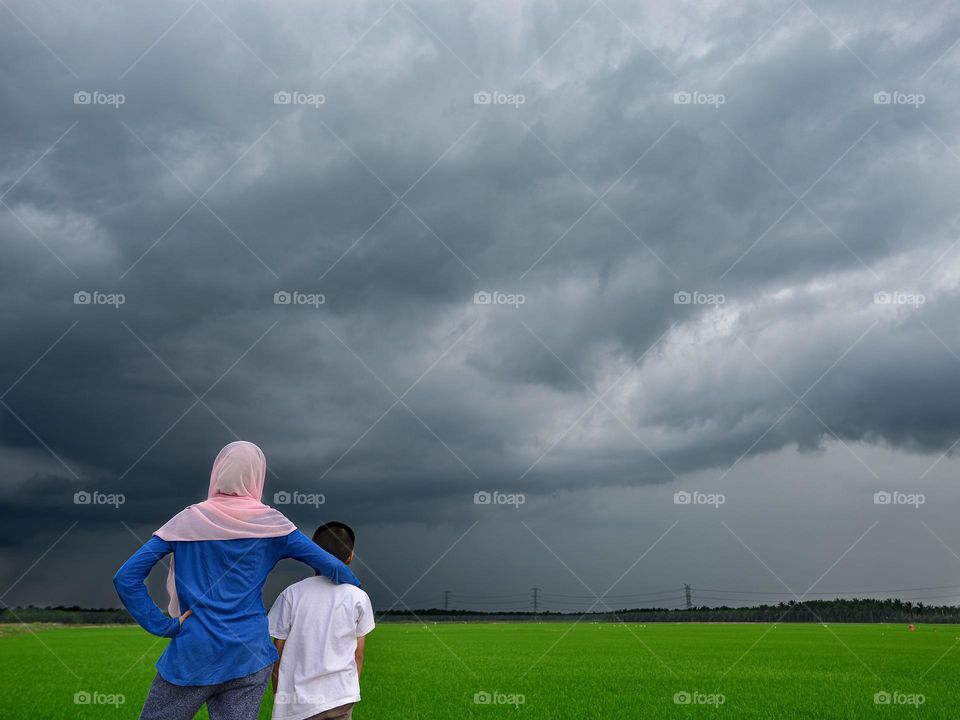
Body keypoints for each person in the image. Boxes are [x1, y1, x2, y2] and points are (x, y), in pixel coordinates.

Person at [113, 441, 360, 720]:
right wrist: (355, 596)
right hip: (249, 656)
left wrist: (164, 626)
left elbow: (126, 578)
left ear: (218, 472)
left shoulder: (186, 521)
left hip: (192, 655)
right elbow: (335, 568)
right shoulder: (274, 526)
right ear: (259, 476)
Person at [268, 521, 374, 720]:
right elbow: (358, 654)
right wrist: (349, 689)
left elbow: (277, 652)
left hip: (298, 704)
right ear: (350, 557)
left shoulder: (291, 595)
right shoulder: (358, 597)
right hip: (341, 698)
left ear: (312, 555)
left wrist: (278, 694)